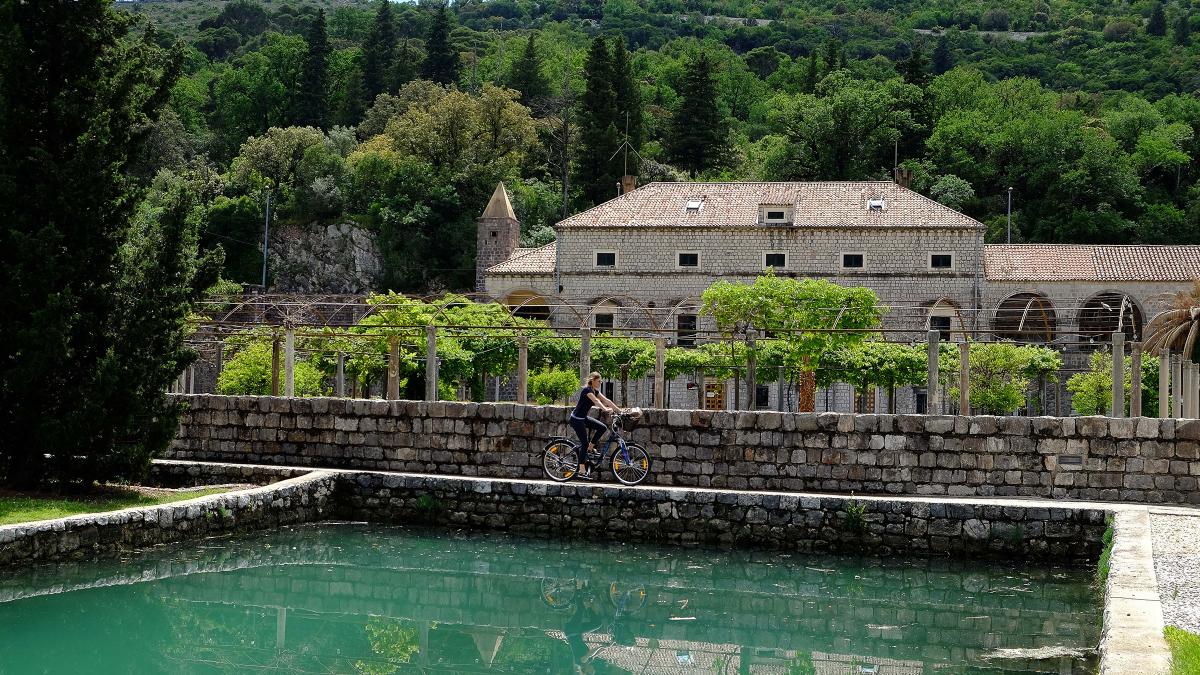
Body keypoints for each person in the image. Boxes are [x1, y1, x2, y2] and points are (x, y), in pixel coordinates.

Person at [569, 372, 621, 479]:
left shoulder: (595, 391)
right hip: (576, 420)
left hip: (583, 418)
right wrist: (605, 409)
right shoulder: (587, 390)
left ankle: (590, 447)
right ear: (592, 380)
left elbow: (607, 400)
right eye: (599, 381)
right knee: (584, 443)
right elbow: (596, 401)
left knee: (602, 427)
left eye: (601, 381)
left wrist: (620, 411)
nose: (600, 383)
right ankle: (582, 469)